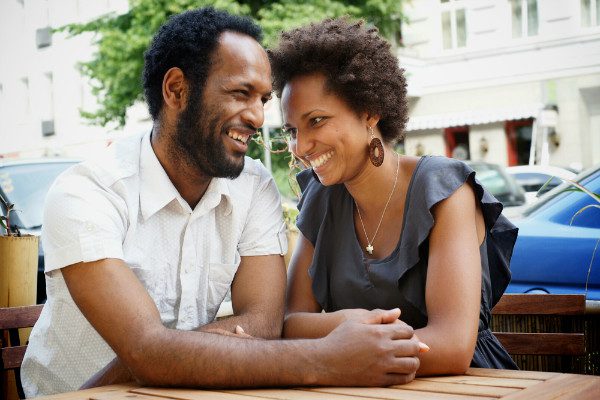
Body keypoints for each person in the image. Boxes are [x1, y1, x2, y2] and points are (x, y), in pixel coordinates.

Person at [21, 8, 423, 397]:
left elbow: (263, 325)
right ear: (177, 90)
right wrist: (325, 358)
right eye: (240, 93)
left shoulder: (254, 188)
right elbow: (146, 350)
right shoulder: (88, 192)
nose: (257, 117)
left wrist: (160, 354)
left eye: (263, 99)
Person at [268, 18, 519, 374]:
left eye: (317, 121)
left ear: (369, 111)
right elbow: (290, 323)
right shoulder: (321, 197)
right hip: (361, 385)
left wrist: (344, 347)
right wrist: (353, 326)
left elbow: (450, 346)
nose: (301, 146)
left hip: (468, 386)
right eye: (292, 130)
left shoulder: (443, 191)